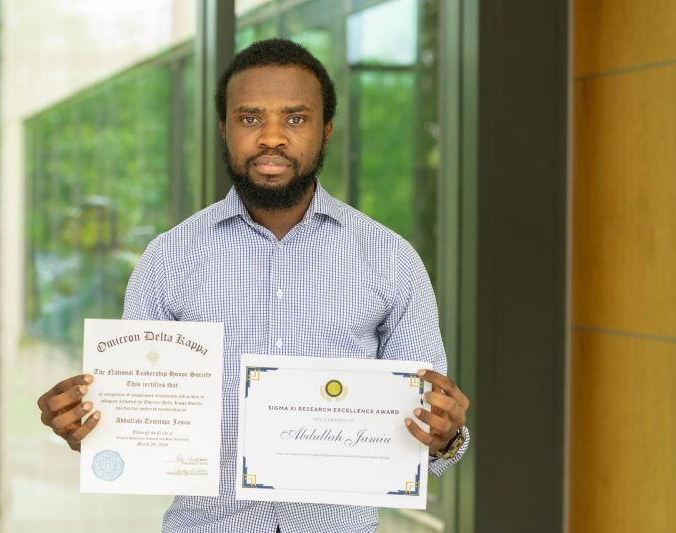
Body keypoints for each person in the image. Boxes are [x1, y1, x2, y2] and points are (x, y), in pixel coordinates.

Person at [38, 38, 470, 533]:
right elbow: (135, 427)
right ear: (224, 130)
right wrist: (86, 429)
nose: (271, 138)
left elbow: (433, 441)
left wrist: (445, 438)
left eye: (295, 118)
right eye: (249, 119)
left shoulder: (391, 260)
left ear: (326, 131)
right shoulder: (167, 260)